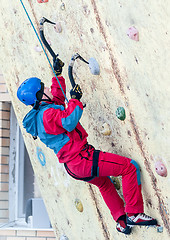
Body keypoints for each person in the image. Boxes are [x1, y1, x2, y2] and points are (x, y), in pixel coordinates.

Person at [17, 58, 157, 235]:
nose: (47, 89)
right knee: (129, 168)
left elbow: (58, 102)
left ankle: (121, 221)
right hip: (83, 159)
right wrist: (75, 100)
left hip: (74, 167)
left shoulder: (42, 114)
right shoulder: (47, 115)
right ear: (39, 96)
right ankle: (134, 213)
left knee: (105, 185)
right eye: (43, 88)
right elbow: (68, 121)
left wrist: (57, 76)